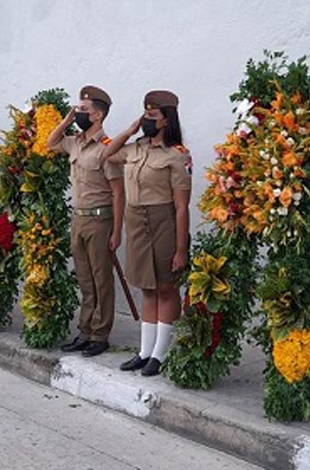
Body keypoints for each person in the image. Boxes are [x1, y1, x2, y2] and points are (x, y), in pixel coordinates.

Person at [104, 90, 192, 375]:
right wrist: (130, 129)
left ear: (166, 121)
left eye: (152, 117)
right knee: (146, 286)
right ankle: (144, 352)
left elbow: (181, 207)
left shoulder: (178, 155)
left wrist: (181, 250)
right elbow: (107, 153)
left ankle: (160, 354)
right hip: (136, 222)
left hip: (163, 221)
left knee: (166, 287)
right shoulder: (135, 147)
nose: (146, 121)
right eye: (144, 116)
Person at [48, 85, 124, 357]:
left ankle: (100, 334)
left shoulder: (106, 148)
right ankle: (85, 330)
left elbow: (118, 193)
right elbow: (50, 142)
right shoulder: (75, 142)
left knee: (101, 279)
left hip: (100, 220)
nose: (78, 114)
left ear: (98, 116)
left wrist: (117, 230)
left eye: (84, 111)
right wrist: (66, 121)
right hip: (79, 219)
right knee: (85, 279)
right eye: (78, 109)